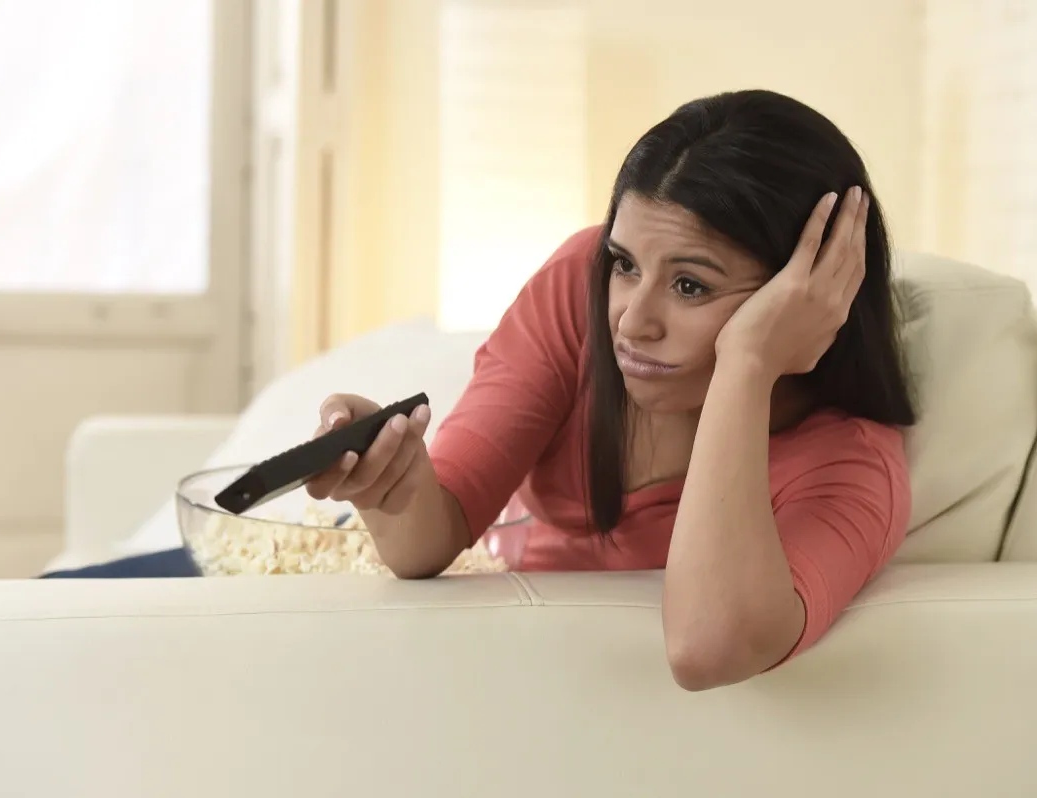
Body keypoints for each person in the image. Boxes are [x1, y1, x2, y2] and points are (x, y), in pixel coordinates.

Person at [302, 89, 916, 691]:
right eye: (625, 264)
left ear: (809, 295)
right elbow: (427, 545)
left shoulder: (849, 467)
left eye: (691, 286)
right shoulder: (580, 287)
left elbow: (707, 651)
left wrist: (748, 364)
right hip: (504, 668)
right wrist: (393, 481)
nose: (631, 321)